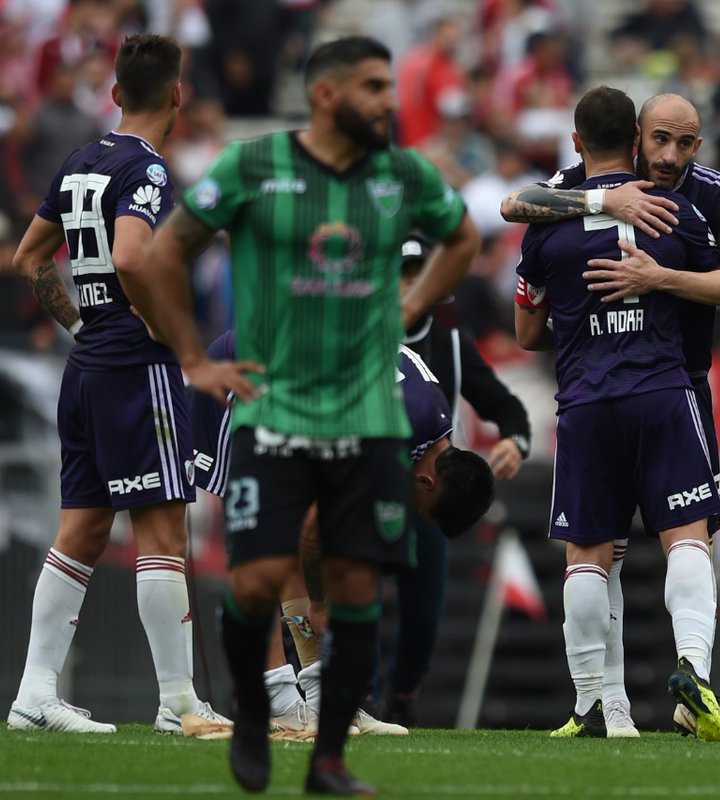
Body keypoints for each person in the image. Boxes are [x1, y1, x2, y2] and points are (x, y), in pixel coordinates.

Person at [129, 35, 481, 796]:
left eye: (391, 85)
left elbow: (464, 239)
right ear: (326, 94)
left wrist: (412, 306)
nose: (391, 100)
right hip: (272, 403)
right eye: (374, 86)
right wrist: (193, 358)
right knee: (257, 578)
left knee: (354, 581)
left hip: (359, 413)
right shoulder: (255, 166)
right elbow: (163, 254)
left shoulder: (402, 174)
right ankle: (262, 710)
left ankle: (326, 753)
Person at [500, 92, 720, 739]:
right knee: (687, 538)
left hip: (586, 398)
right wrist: (609, 206)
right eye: (660, 141)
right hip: (667, 389)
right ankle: (688, 673)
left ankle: (602, 705)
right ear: (638, 137)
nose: (671, 155)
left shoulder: (709, 196)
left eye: (685, 143)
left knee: (591, 551)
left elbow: (525, 314)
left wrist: (642, 282)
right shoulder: (683, 220)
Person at [7, 34, 237, 735]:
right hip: (137, 366)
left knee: (80, 526)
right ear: (178, 94)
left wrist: (84, 324)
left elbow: (28, 257)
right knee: (164, 526)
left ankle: (34, 693)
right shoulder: (150, 171)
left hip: (87, 365)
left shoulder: (81, 162)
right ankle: (178, 702)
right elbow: (133, 254)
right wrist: (180, 339)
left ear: (114, 96)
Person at [190, 332, 496, 736]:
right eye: (423, 513)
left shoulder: (431, 427)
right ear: (425, 481)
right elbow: (314, 530)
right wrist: (318, 602)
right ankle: (274, 698)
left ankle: (324, 700)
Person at [378, 234, 530, 725]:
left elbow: (506, 407)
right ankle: (349, 693)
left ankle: (402, 692)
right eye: (401, 274)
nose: (408, 285)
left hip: (428, 494)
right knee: (348, 592)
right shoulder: (360, 335)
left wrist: (515, 440)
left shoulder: (451, 346)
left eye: (417, 274)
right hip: (369, 493)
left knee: (423, 615)